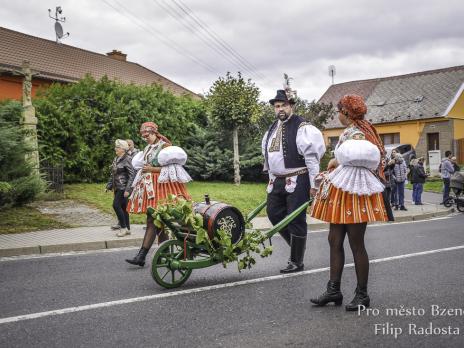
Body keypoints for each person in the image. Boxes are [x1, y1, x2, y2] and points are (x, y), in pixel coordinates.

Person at [310, 94, 388, 311]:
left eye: (339, 111)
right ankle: (334, 289)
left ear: (346, 112)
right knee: (334, 239)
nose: (337, 115)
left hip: (354, 191)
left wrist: (335, 160)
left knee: (356, 243)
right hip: (341, 191)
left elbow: (360, 158)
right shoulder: (352, 131)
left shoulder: (357, 133)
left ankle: (362, 295)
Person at [262, 89, 326, 273]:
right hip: (277, 180)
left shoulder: (303, 127)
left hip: (298, 177)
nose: (280, 109)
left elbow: (313, 159)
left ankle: (296, 261)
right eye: (277, 106)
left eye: (283, 105)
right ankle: (297, 247)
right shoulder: (272, 128)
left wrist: (314, 185)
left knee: (296, 219)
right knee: (274, 214)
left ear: (291, 106)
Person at [125, 122, 191, 267]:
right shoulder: (148, 148)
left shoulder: (165, 147)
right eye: (143, 136)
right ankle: (156, 254)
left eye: (147, 135)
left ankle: (145, 255)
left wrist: (151, 169)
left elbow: (174, 170)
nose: (145, 138)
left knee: (156, 220)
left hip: (164, 187)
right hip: (150, 188)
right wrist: (145, 170)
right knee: (156, 221)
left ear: (154, 132)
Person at [106, 139, 135, 237]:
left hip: (123, 188)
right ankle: (127, 228)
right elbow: (113, 174)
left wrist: (128, 189)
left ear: (123, 149)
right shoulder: (116, 158)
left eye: (117, 147)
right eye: (116, 147)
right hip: (117, 187)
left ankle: (123, 228)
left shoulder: (128, 159)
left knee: (116, 205)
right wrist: (109, 186)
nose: (115, 149)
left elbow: (132, 175)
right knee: (123, 208)